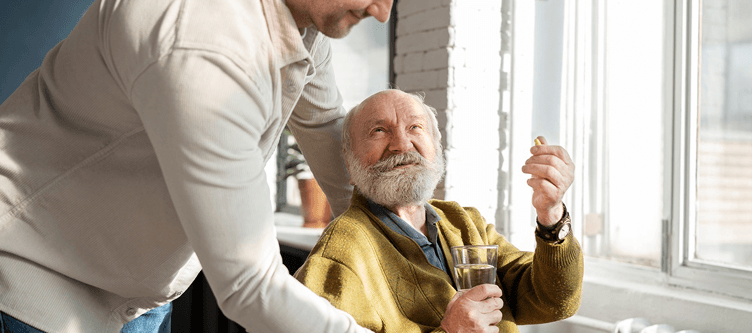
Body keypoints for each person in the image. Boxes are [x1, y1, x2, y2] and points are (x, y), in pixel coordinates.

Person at [0, 0, 392, 332]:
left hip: (135, 297)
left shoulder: (301, 24)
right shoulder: (200, 41)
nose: (382, 12)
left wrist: (413, 249)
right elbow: (250, 284)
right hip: (35, 281)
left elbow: (326, 129)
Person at [295, 89, 584, 333]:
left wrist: (551, 214)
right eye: (379, 131)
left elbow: (554, 299)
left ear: (436, 147)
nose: (402, 144)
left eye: (415, 128)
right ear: (349, 163)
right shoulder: (342, 250)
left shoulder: (464, 222)